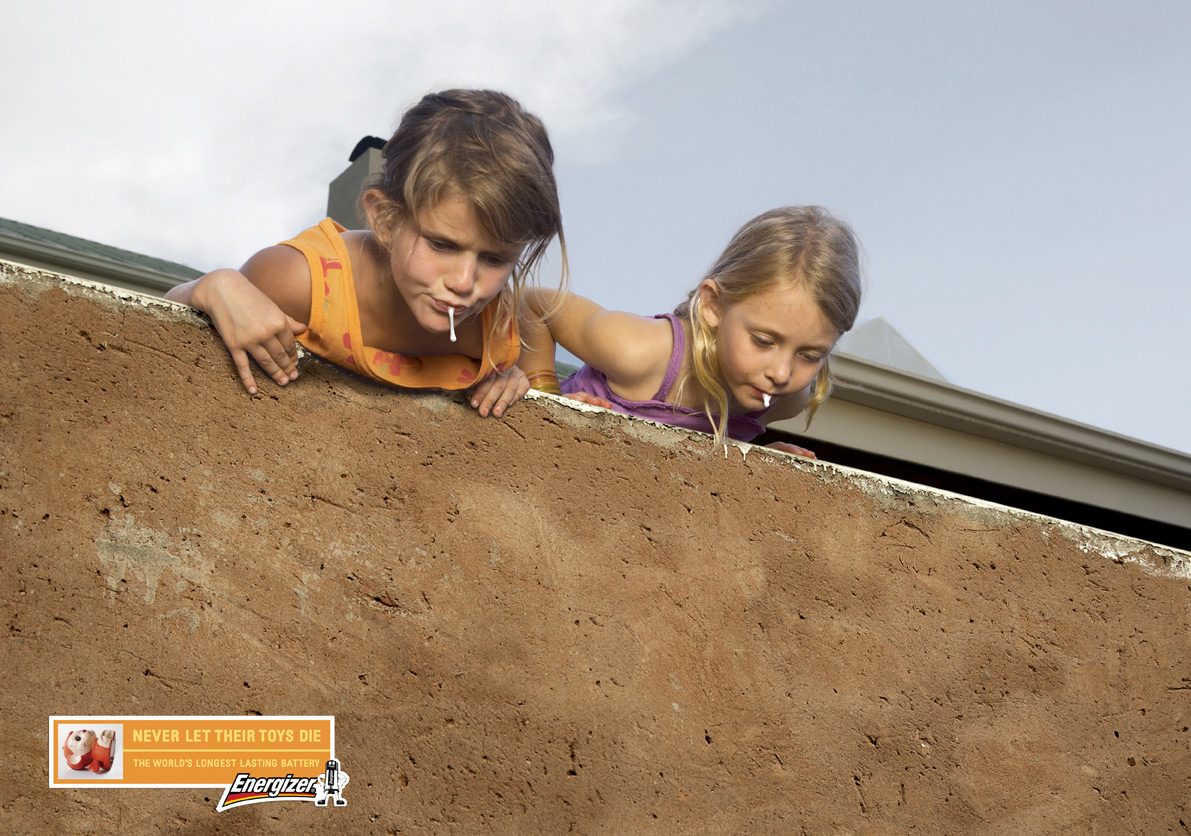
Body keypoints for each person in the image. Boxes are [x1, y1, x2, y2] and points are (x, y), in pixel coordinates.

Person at [166, 89, 565, 418]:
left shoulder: (494, 329)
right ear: (386, 220)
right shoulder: (300, 281)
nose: (463, 283)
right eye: (441, 245)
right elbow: (162, 318)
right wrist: (214, 287)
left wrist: (513, 379)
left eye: (494, 259)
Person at [519, 206, 861, 454]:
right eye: (762, 341)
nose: (781, 373)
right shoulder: (637, 350)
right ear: (713, 305)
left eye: (810, 355)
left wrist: (754, 459)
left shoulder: (783, 401)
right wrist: (546, 402)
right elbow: (529, 305)